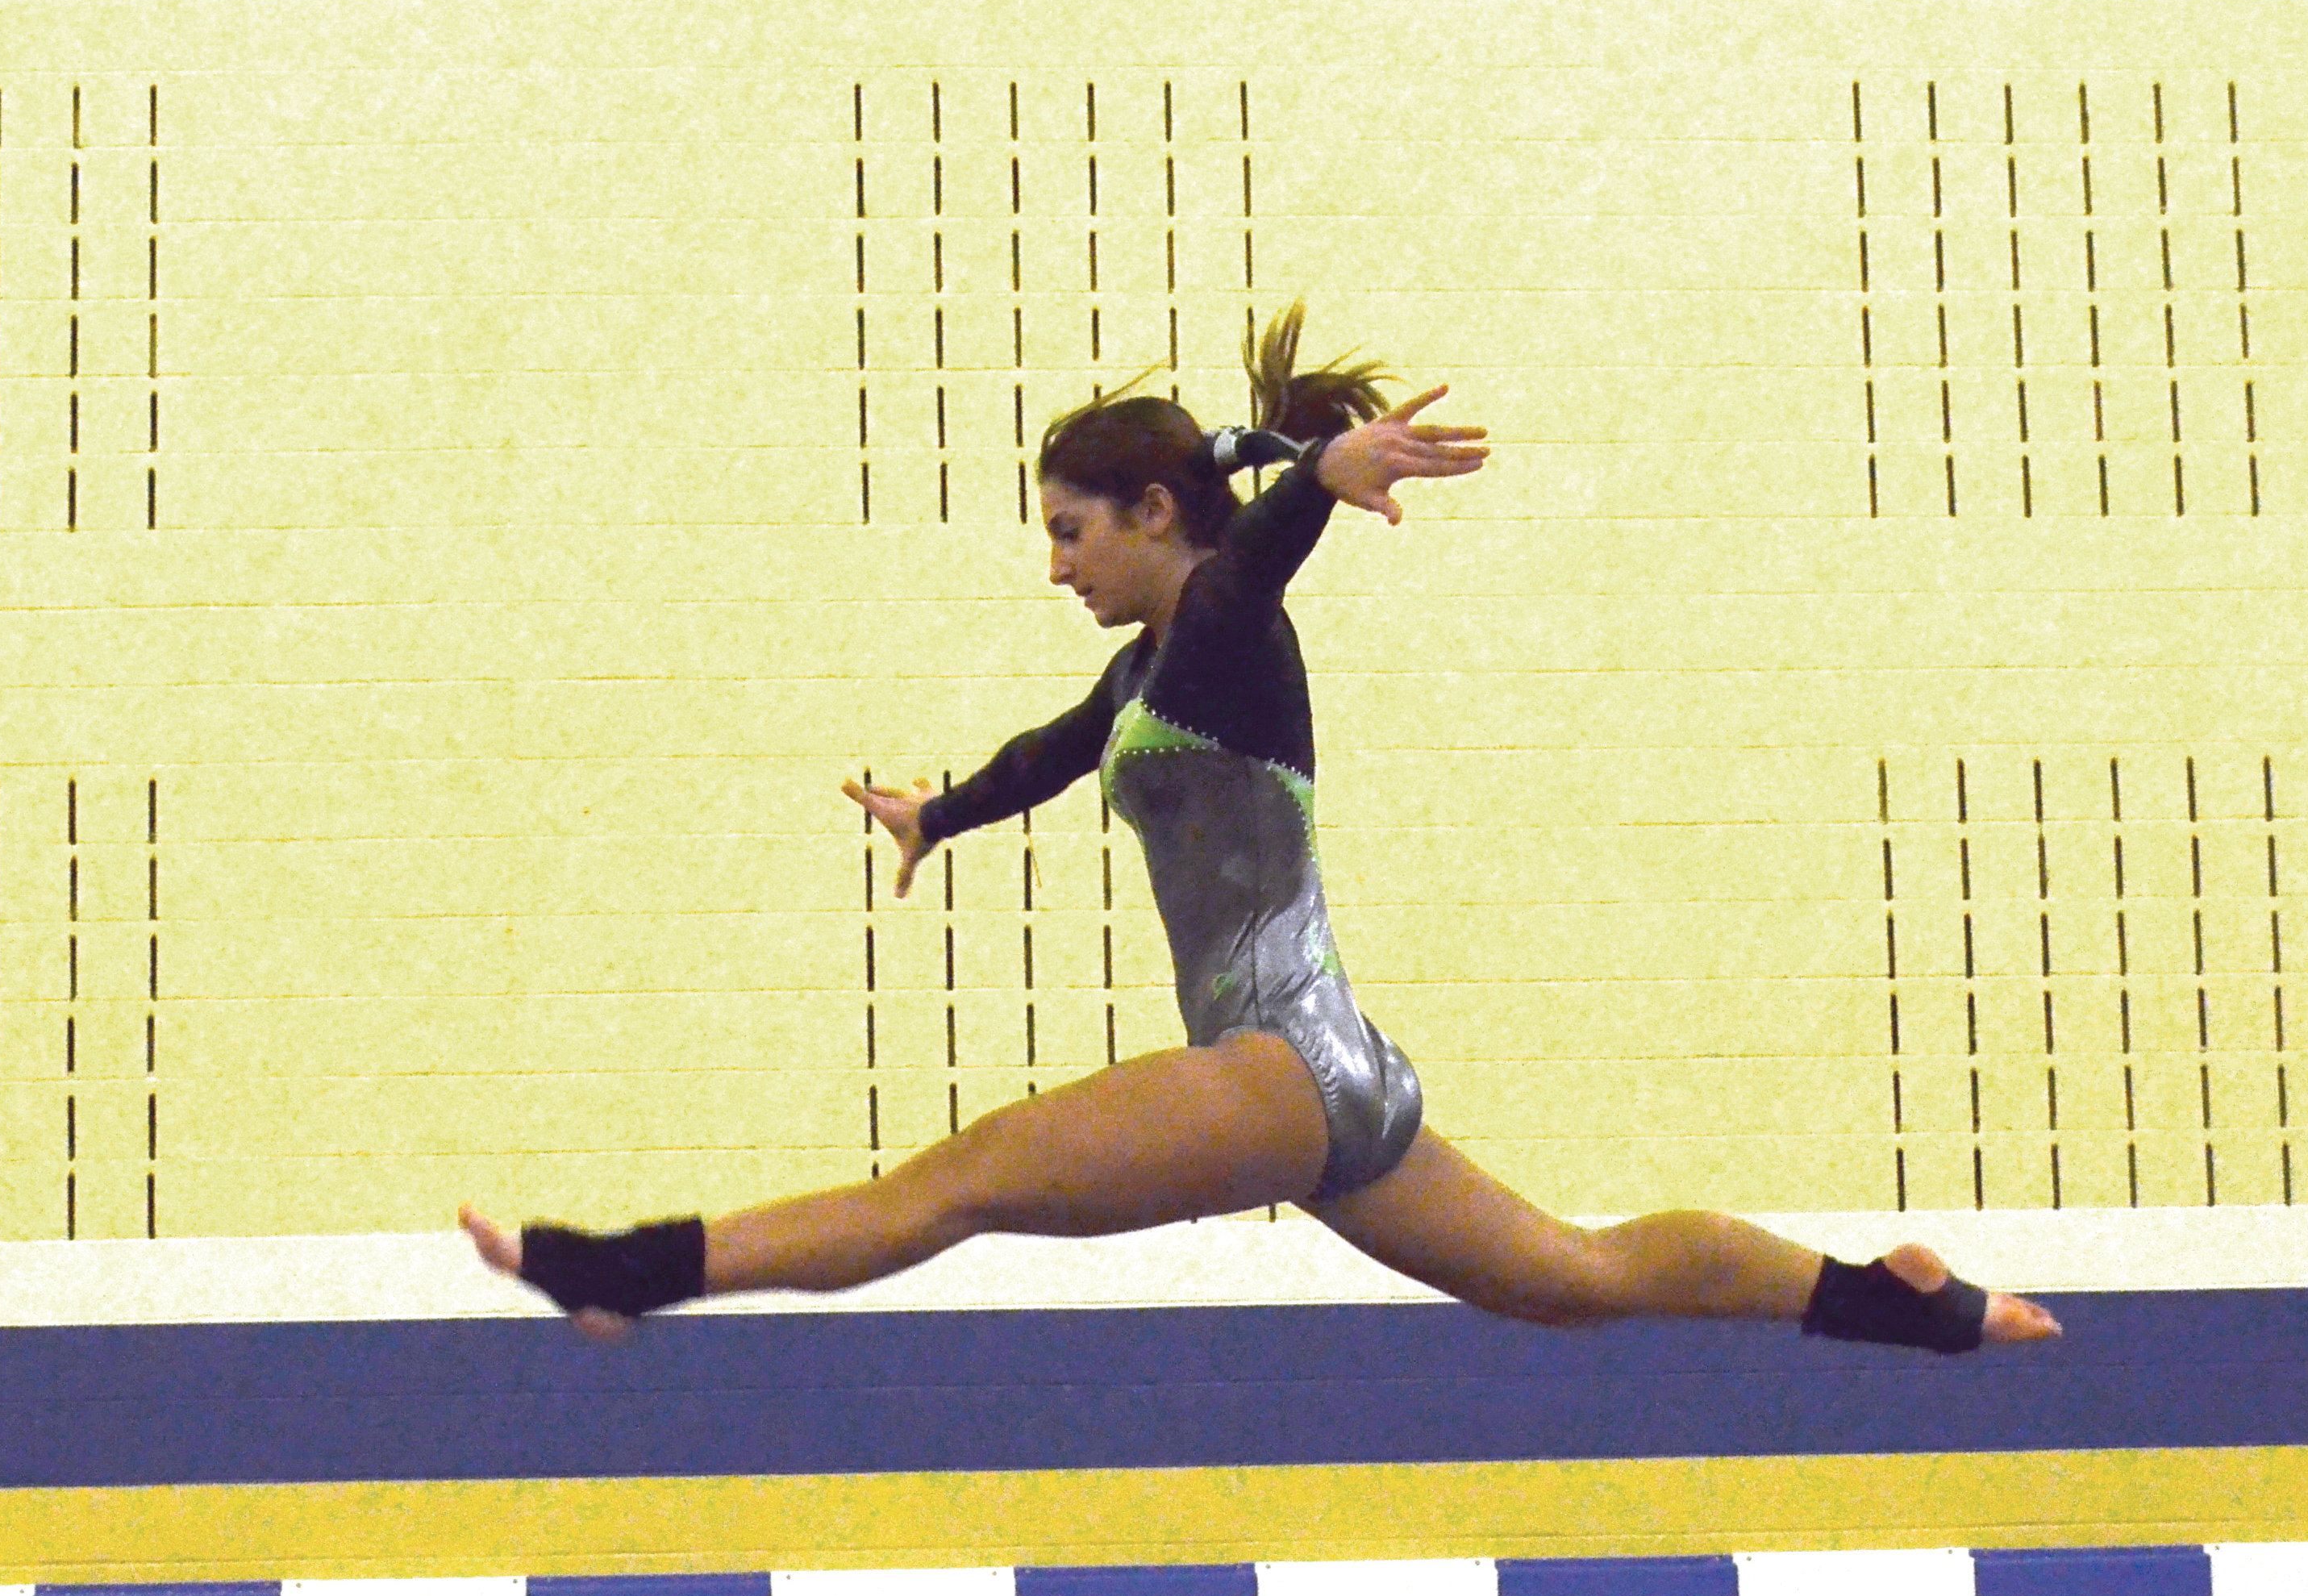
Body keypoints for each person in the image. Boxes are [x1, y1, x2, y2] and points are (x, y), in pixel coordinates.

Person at [461, 306, 2060, 1366]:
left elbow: (1248, 571)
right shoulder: (1154, 671)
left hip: (1278, 1068)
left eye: (1070, 531)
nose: (1055, 564)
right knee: (1577, 1279)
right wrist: (940, 810)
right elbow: (1062, 744)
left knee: (938, 1193)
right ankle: (1887, 1299)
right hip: (1339, 1079)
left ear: (1155, 511)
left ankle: (631, 1267)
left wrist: (1315, 477)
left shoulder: (1221, 625)